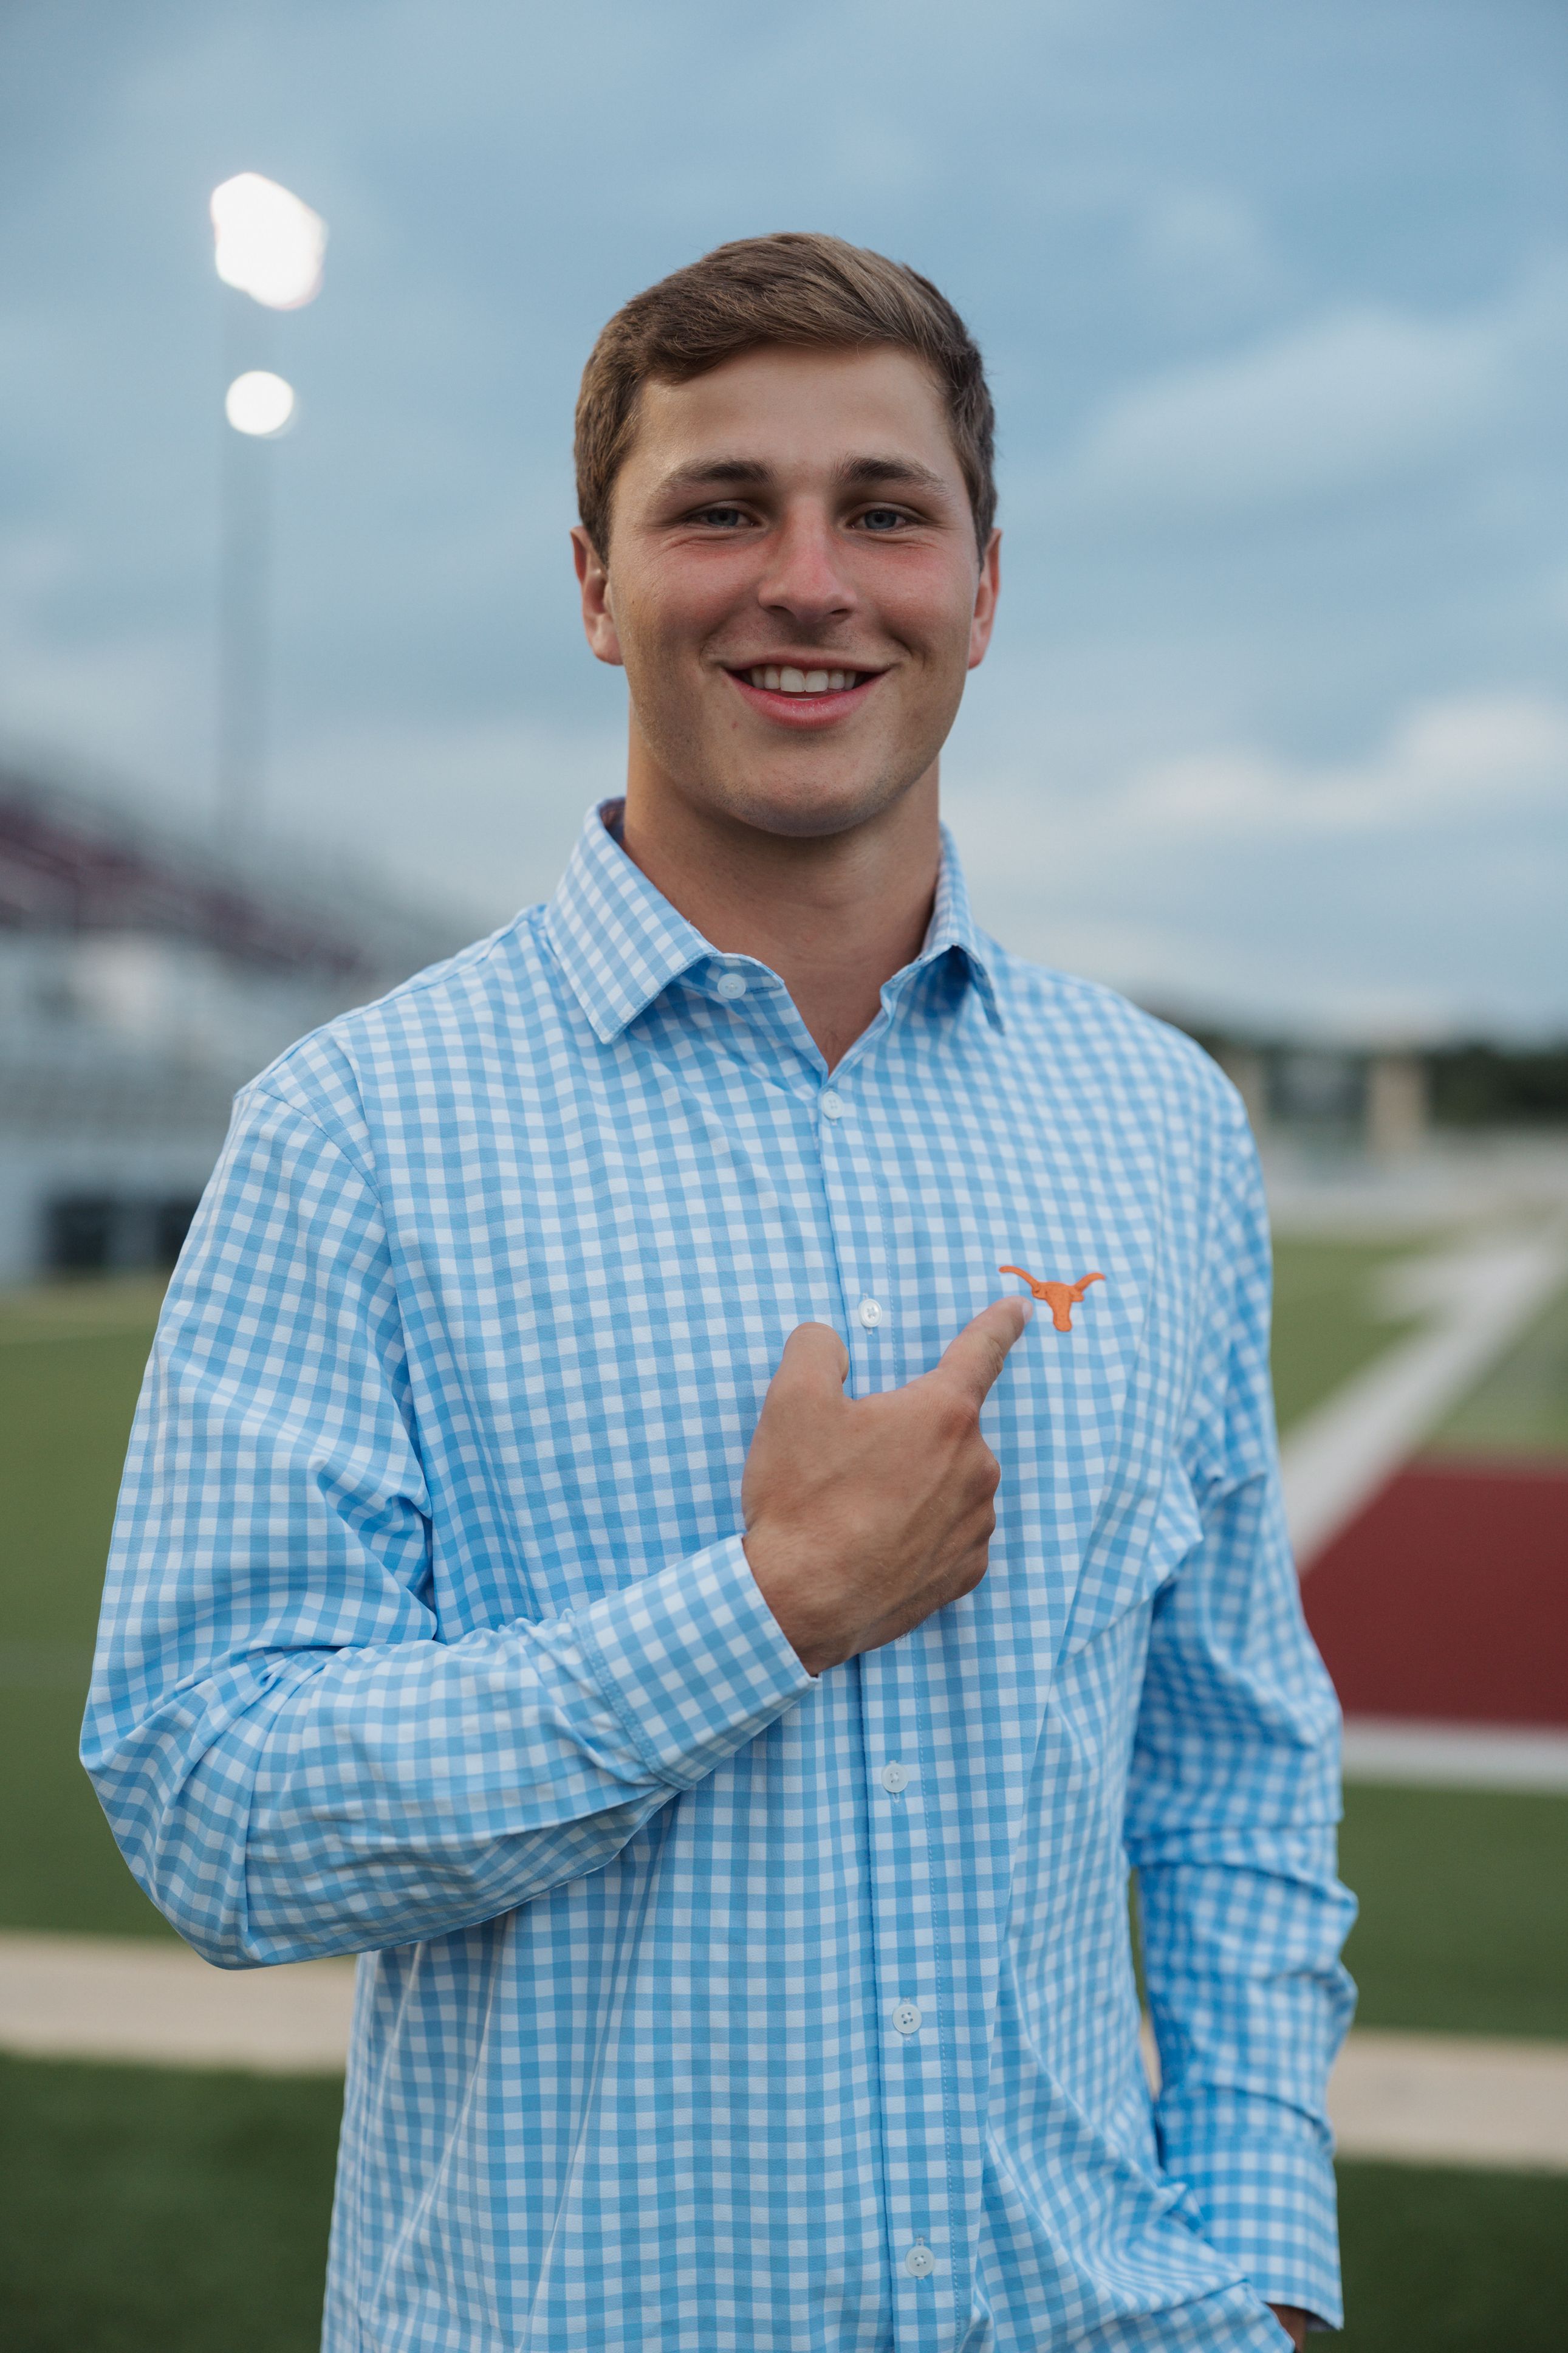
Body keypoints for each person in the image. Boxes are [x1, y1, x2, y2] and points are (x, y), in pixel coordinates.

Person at [84, 233, 1354, 2351]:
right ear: (595, 587)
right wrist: (761, 1613)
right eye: (718, 509)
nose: (809, 579)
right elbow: (216, 1805)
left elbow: (1235, 1768)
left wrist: (1264, 2277)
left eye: (883, 511)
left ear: (984, 584)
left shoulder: (1160, 1122)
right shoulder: (360, 1132)